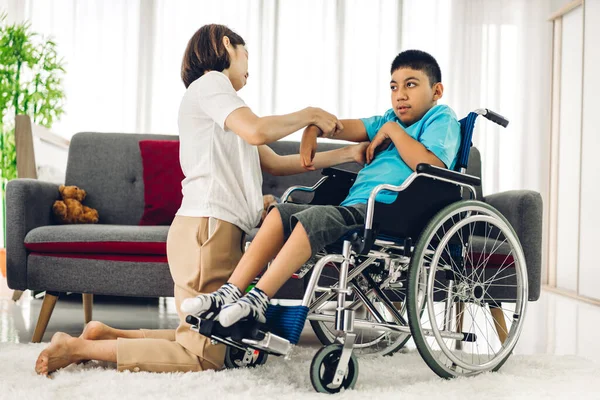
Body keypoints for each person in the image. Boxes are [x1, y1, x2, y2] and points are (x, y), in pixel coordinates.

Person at [34, 23, 368, 376]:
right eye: (246, 55)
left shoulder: (225, 105)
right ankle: (77, 347)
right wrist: (310, 114)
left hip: (203, 230)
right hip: (208, 232)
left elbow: (278, 162)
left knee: (198, 336)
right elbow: (257, 130)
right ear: (226, 44)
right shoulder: (211, 85)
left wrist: (350, 154)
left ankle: (105, 335)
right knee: (205, 356)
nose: (248, 68)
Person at [182, 49, 462, 329]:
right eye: (394, 86)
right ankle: (230, 292)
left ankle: (257, 300)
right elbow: (338, 127)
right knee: (279, 214)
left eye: (410, 84)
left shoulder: (440, 118)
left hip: (390, 210)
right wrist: (312, 130)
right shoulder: (388, 119)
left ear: (436, 90)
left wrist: (392, 130)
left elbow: (430, 167)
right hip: (355, 208)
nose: (400, 94)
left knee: (314, 219)